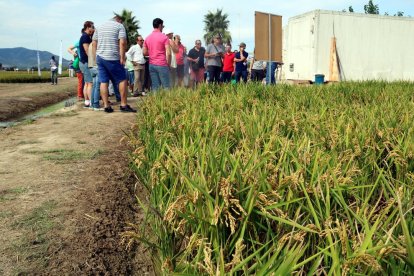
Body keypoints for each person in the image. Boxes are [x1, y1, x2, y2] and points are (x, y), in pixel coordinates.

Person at [92, 15, 136, 113]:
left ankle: (106, 106)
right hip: (113, 57)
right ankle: (123, 105)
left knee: (103, 82)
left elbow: (94, 42)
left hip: (100, 57)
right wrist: (122, 57)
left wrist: (96, 57)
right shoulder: (119, 26)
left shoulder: (99, 26)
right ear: (119, 20)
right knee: (122, 80)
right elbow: (122, 42)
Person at [143, 18, 178, 91]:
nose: (163, 28)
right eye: (163, 26)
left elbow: (144, 53)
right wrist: (168, 64)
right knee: (166, 86)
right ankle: (167, 102)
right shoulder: (164, 37)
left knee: (155, 87)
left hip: (152, 64)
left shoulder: (147, 38)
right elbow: (168, 53)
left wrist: (153, 52)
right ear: (160, 25)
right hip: (162, 64)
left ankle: (156, 102)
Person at [79, 21, 94, 108]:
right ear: (88, 27)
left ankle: (87, 101)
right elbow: (87, 50)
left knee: (87, 83)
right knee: (90, 83)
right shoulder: (85, 37)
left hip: (83, 62)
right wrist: (93, 60)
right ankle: (91, 102)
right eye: (92, 27)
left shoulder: (85, 36)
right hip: (86, 62)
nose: (93, 29)